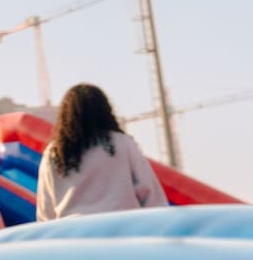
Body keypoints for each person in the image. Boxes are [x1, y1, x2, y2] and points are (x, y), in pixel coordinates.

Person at [36, 83, 169, 221]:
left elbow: (45, 210)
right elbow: (149, 192)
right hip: (122, 227)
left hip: (72, 232)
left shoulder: (54, 152)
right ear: (104, 111)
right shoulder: (122, 143)